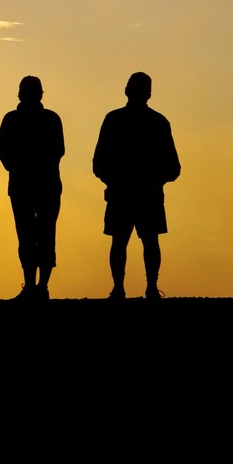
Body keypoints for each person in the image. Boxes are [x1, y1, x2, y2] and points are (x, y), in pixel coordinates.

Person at [93, 71, 181, 300]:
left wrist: (113, 181)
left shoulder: (113, 120)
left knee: (120, 240)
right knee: (149, 241)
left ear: (126, 91)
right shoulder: (159, 122)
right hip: (147, 193)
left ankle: (119, 288)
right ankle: (150, 287)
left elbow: (98, 163)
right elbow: (174, 168)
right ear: (149, 93)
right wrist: (155, 180)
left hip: (122, 192)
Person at [0, 75, 64, 300]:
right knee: (43, 235)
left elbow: (4, 153)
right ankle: (39, 287)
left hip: (24, 185)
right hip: (45, 186)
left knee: (28, 236)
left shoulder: (12, 119)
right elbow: (58, 151)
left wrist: (19, 167)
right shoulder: (51, 119)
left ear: (20, 93)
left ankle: (34, 287)